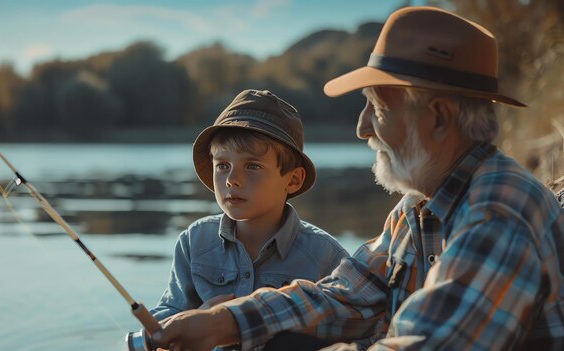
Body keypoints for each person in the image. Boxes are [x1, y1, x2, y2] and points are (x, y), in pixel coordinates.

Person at [150, 6, 564, 351]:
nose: (362, 128)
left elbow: (430, 344)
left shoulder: (498, 212)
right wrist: (224, 321)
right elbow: (345, 295)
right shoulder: (416, 208)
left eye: (378, 109)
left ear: (438, 117)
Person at [149, 89, 349, 325]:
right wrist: (198, 318)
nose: (232, 179)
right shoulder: (195, 241)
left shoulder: (325, 256)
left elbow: (351, 327)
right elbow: (165, 318)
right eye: (222, 165)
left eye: (252, 166)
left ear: (292, 179)